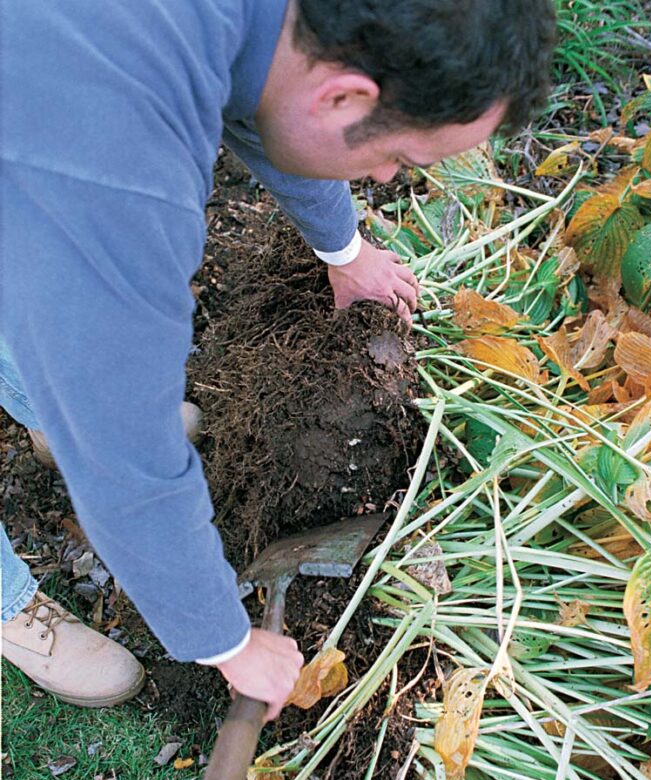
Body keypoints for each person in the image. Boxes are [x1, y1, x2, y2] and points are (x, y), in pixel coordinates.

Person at [1, 0, 555, 717]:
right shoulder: (124, 168)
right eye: (398, 159)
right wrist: (226, 641)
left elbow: (259, 89)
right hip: (53, 118)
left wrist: (343, 249)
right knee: (100, 399)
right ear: (346, 97)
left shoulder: (258, 21)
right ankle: (10, 604)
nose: (387, 179)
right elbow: (124, 453)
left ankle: (45, 414)